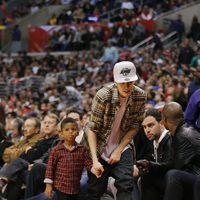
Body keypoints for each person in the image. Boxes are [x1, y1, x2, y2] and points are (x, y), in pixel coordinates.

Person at [82, 61, 146, 200]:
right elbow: (92, 129)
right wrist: (94, 160)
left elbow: (134, 126)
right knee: (95, 190)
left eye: (130, 82)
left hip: (122, 145)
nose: (127, 86)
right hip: (98, 146)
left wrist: (118, 150)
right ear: (115, 81)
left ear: (135, 80)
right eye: (122, 83)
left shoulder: (140, 96)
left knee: (126, 184)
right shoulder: (103, 95)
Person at [44, 117, 93, 200]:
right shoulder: (56, 150)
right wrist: (48, 185)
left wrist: (94, 168)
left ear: (77, 132)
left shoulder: (81, 149)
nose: (70, 131)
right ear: (61, 133)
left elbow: (88, 163)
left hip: (75, 187)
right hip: (60, 187)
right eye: (67, 130)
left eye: (73, 129)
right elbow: (50, 168)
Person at [161, 102, 200, 200]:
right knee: (148, 177)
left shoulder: (182, 135)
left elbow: (178, 167)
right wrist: (151, 165)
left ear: (164, 120)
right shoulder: (182, 131)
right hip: (194, 177)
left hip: (197, 178)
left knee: (173, 175)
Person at [137, 108, 172, 200]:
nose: (147, 130)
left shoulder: (170, 139)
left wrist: (149, 165)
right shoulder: (153, 142)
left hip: (173, 183)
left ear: (161, 123)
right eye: (144, 127)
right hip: (163, 182)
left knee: (146, 178)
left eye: (150, 125)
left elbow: (170, 166)